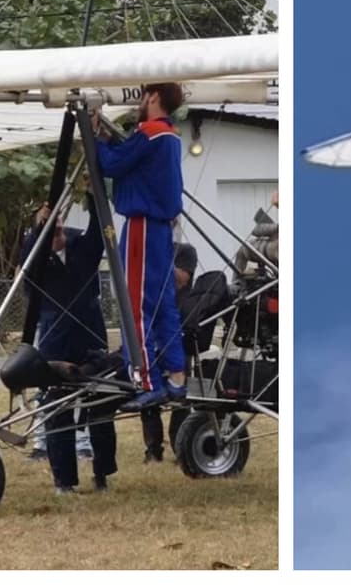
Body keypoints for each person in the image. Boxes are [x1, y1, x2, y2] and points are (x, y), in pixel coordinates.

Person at [92, 82, 187, 412]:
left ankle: (147, 380)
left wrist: (94, 138)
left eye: (145, 96)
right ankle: (177, 375)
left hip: (142, 225)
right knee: (162, 303)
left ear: (154, 97)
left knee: (135, 305)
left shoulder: (149, 133)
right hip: (160, 229)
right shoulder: (171, 136)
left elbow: (113, 164)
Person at [18, 196, 117, 493]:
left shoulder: (79, 248)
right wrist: (39, 228)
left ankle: (102, 474)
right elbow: (28, 260)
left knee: (100, 407)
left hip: (90, 338)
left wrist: (92, 196)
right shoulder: (37, 260)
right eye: (52, 232)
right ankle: (64, 481)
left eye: (60, 229)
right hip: (55, 342)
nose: (59, 234)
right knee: (56, 409)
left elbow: (99, 234)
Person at [140, 241, 199, 462]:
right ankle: (153, 448)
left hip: (178, 333)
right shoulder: (152, 247)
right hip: (153, 332)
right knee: (149, 393)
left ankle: (180, 446)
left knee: (180, 396)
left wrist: (158, 267)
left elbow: (182, 278)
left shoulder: (185, 250)